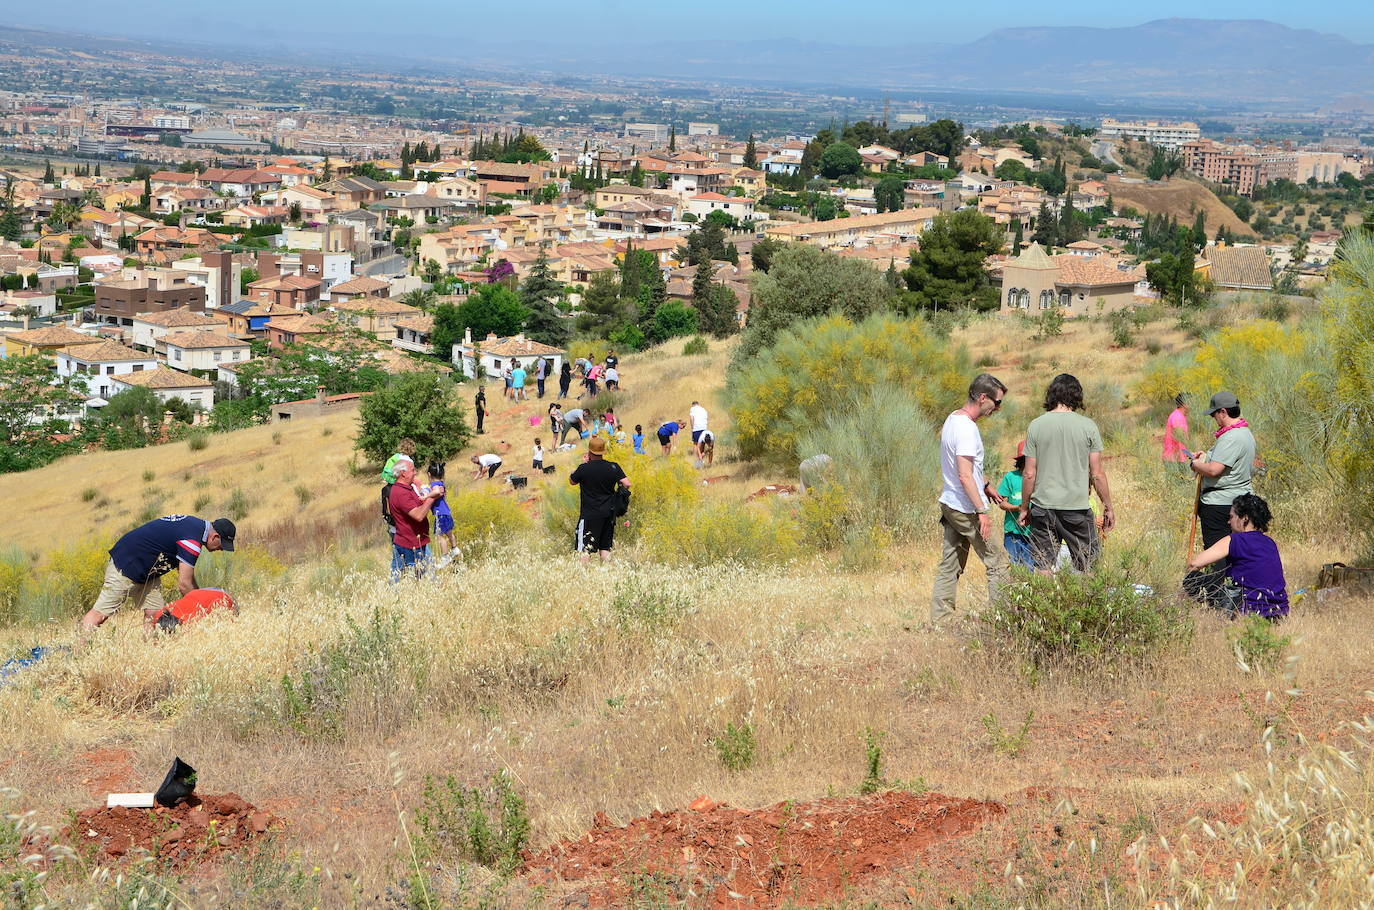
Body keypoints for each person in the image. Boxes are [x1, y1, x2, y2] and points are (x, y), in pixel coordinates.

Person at [930, 374, 1011, 624]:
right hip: (965, 507)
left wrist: (985, 484)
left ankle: (941, 619)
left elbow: (969, 468)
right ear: (983, 397)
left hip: (951, 502)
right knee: (998, 561)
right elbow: (965, 475)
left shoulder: (953, 419)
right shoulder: (967, 428)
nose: (997, 409)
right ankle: (1002, 618)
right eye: (996, 403)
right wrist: (981, 511)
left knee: (951, 562)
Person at [1018, 373, 1115, 573]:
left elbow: (1029, 473)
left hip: (1043, 508)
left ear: (1052, 394)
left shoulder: (1036, 426)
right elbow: (1097, 473)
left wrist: (1025, 508)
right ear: (1077, 396)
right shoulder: (1088, 426)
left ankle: (1043, 604)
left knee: (1043, 567)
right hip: (1076, 509)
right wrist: (1108, 507)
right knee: (1088, 567)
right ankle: (1086, 603)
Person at [81, 515, 237, 634]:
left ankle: (150, 653)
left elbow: (187, 581)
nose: (221, 550)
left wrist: (200, 597)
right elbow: (184, 584)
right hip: (126, 564)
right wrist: (203, 610)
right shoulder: (192, 540)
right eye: (222, 546)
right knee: (100, 615)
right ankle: (76, 654)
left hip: (148, 573)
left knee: (154, 614)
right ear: (215, 537)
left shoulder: (193, 526)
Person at [1186, 493, 1288, 620]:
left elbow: (1194, 563)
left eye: (1231, 517)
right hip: (1279, 612)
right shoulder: (1270, 542)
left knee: (1191, 578)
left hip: (1248, 610)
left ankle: (1199, 614)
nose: (1228, 522)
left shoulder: (1235, 539)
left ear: (1244, 519)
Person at [1189, 391, 1256, 563]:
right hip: (1239, 500)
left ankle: (1216, 589)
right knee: (1238, 551)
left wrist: (1196, 465)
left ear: (1223, 412)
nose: (1214, 418)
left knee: (1216, 555)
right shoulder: (1244, 432)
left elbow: (1214, 470)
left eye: (1214, 414)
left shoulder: (1231, 437)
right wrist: (1207, 456)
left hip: (1220, 504)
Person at [569, 435, 630, 563]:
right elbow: (627, 484)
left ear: (590, 451)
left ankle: (583, 577)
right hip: (608, 513)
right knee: (605, 548)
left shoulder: (584, 468)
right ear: (603, 451)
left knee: (585, 549)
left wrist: (584, 463)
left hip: (589, 514)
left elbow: (572, 481)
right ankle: (606, 574)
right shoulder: (613, 467)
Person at [390, 461, 440, 580]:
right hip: (411, 543)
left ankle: (393, 596)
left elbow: (416, 507)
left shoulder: (405, 488)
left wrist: (426, 496)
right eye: (412, 470)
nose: (415, 473)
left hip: (409, 539)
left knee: (396, 575)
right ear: (403, 473)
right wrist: (432, 497)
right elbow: (418, 515)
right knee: (425, 576)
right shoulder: (401, 493)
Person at [996, 441, 1033, 569]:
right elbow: (1002, 503)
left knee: (1030, 568)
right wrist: (1018, 508)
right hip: (1013, 531)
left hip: (1033, 532)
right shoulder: (1010, 477)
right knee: (1014, 566)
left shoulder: (1039, 477)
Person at [426, 462, 456, 565]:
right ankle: (455, 548)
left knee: (439, 536)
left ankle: (445, 557)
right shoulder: (441, 483)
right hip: (447, 512)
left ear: (429, 474)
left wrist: (425, 496)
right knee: (449, 533)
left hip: (440, 514)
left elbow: (436, 492)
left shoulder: (434, 484)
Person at [1163, 393, 1189, 470]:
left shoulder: (1181, 415)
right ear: (1184, 404)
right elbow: (1180, 437)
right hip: (1174, 459)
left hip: (1178, 458)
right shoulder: (1177, 416)